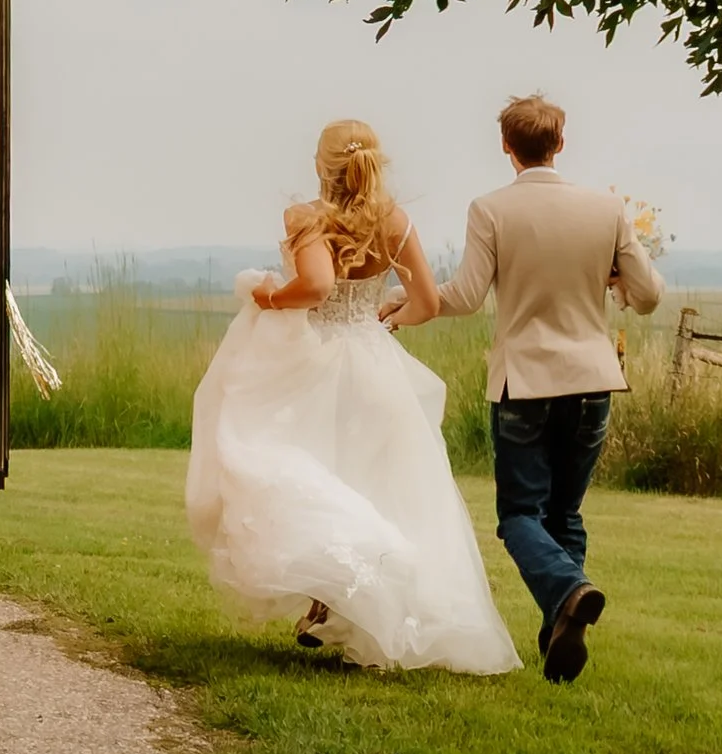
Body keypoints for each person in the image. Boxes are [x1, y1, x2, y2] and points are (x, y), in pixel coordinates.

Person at [186, 121, 519, 675]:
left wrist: (267, 294)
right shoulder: (394, 221)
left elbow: (314, 286)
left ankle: (339, 597)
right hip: (374, 364)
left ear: (321, 166)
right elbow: (428, 302)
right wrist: (389, 318)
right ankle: (337, 608)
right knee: (373, 484)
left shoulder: (307, 218)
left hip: (317, 364)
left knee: (288, 465)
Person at [434, 94, 662, 683]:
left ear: (507, 147)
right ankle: (560, 634)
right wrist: (618, 289)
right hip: (593, 383)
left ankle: (567, 592)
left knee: (518, 516)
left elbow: (462, 297)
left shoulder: (489, 209)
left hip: (525, 382)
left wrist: (407, 302)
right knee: (565, 511)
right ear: (561, 144)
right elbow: (649, 294)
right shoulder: (607, 210)